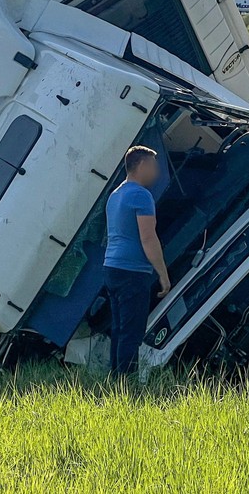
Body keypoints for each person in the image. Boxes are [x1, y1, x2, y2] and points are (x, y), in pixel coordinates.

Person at [104, 145, 171, 375]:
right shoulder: (141, 196)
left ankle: (116, 379)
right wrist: (162, 274)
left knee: (119, 328)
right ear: (141, 165)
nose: (157, 172)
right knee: (132, 331)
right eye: (154, 166)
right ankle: (126, 384)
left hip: (112, 267)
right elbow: (148, 237)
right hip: (133, 271)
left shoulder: (116, 194)